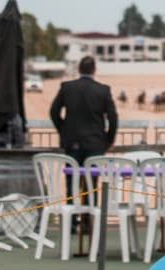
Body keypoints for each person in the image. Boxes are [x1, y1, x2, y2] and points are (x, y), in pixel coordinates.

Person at [50, 56, 118, 230]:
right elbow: (112, 117)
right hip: (95, 143)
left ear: (79, 69)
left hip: (72, 142)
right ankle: (89, 222)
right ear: (94, 70)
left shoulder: (67, 88)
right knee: (91, 184)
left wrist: (63, 130)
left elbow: (54, 111)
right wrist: (108, 139)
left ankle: (71, 222)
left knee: (72, 182)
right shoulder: (103, 90)